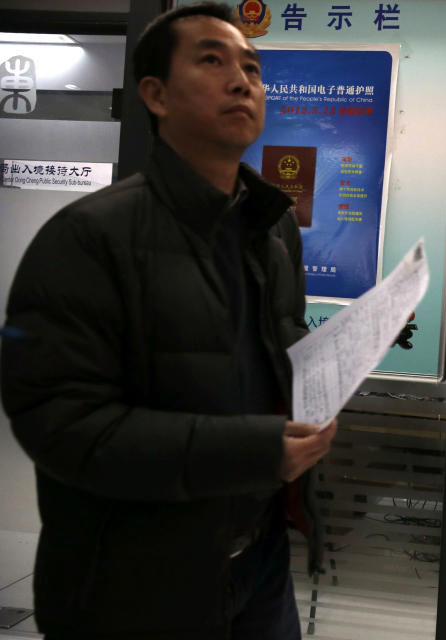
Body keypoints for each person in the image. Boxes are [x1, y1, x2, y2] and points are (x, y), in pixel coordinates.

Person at [0, 3, 336, 638]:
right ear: (154, 94)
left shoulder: (273, 229)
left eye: (252, 67)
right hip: (136, 583)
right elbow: (62, 426)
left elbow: (269, 356)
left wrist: (317, 396)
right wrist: (254, 451)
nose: (242, 80)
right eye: (212, 60)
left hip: (259, 563)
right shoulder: (88, 237)